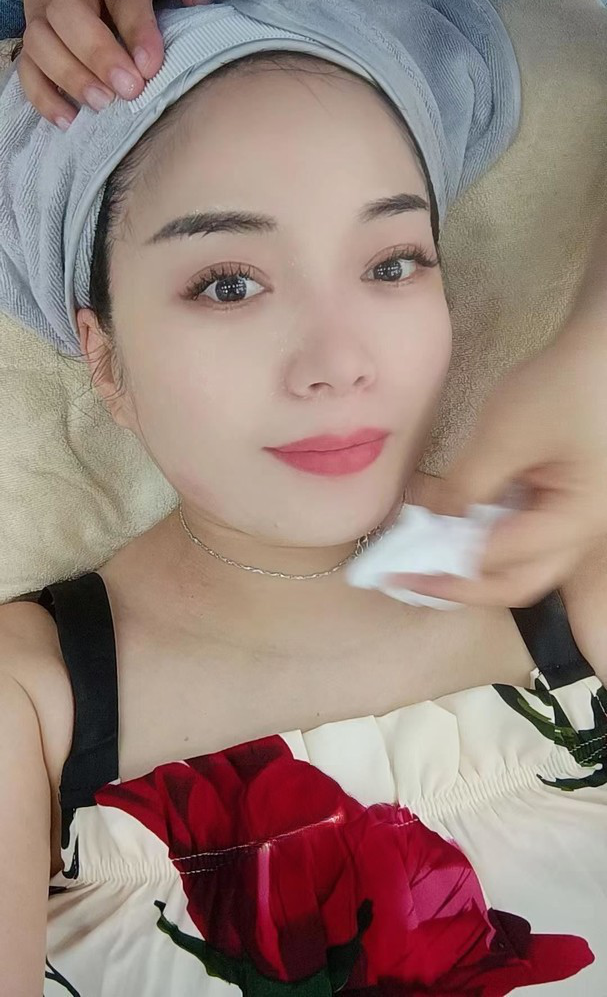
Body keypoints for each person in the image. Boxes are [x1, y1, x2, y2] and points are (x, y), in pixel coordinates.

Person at [0, 1, 606, 994]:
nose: (337, 361)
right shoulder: (29, 703)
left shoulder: (577, 579)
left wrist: (594, 363)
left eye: (390, 263)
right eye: (228, 284)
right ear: (105, 357)